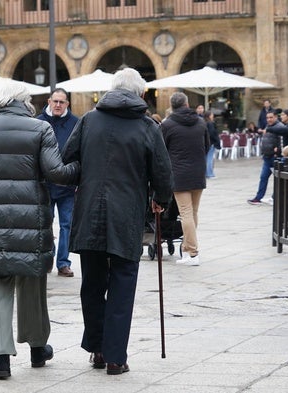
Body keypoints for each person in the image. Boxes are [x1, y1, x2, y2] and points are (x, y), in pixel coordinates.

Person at [0, 80, 79, 380]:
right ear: (25, 103)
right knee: (32, 284)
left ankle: (1, 359)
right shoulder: (40, 129)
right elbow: (55, 172)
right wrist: (79, 169)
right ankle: (37, 349)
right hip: (31, 219)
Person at [61, 67, 172, 375]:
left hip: (90, 213)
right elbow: (162, 172)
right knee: (123, 283)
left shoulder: (88, 120)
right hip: (126, 216)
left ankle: (97, 348)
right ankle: (115, 357)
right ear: (140, 94)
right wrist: (160, 200)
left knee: (93, 283)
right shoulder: (147, 126)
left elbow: (69, 158)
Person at [162, 92, 209, 266]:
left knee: (186, 213)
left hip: (179, 173)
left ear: (172, 105)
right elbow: (207, 146)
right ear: (187, 104)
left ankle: (193, 253)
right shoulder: (201, 122)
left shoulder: (167, 125)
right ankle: (187, 249)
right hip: (198, 171)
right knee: (193, 212)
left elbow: (162, 150)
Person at [36, 88, 78, 277]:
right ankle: (48, 258)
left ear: (67, 104)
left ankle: (63, 262)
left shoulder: (75, 123)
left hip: (67, 183)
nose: (58, 105)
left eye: (62, 102)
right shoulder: (39, 122)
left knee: (67, 224)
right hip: (44, 183)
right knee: (45, 223)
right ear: (49, 101)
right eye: (55, 101)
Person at [247, 110, 284, 205]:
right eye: (267, 118)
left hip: (275, 157)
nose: (269, 119)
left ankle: (275, 197)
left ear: (276, 117)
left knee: (278, 178)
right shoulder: (268, 126)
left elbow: (283, 140)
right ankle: (258, 197)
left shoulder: (280, 127)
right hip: (267, 157)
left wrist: (278, 150)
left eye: (271, 117)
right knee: (263, 177)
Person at [204, 110, 220, 178]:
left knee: (206, 158)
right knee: (209, 158)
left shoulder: (204, 123)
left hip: (206, 143)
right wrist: (217, 141)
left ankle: (206, 173)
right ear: (209, 116)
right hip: (211, 142)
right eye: (212, 114)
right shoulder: (211, 123)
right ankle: (209, 173)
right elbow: (212, 133)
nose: (213, 115)